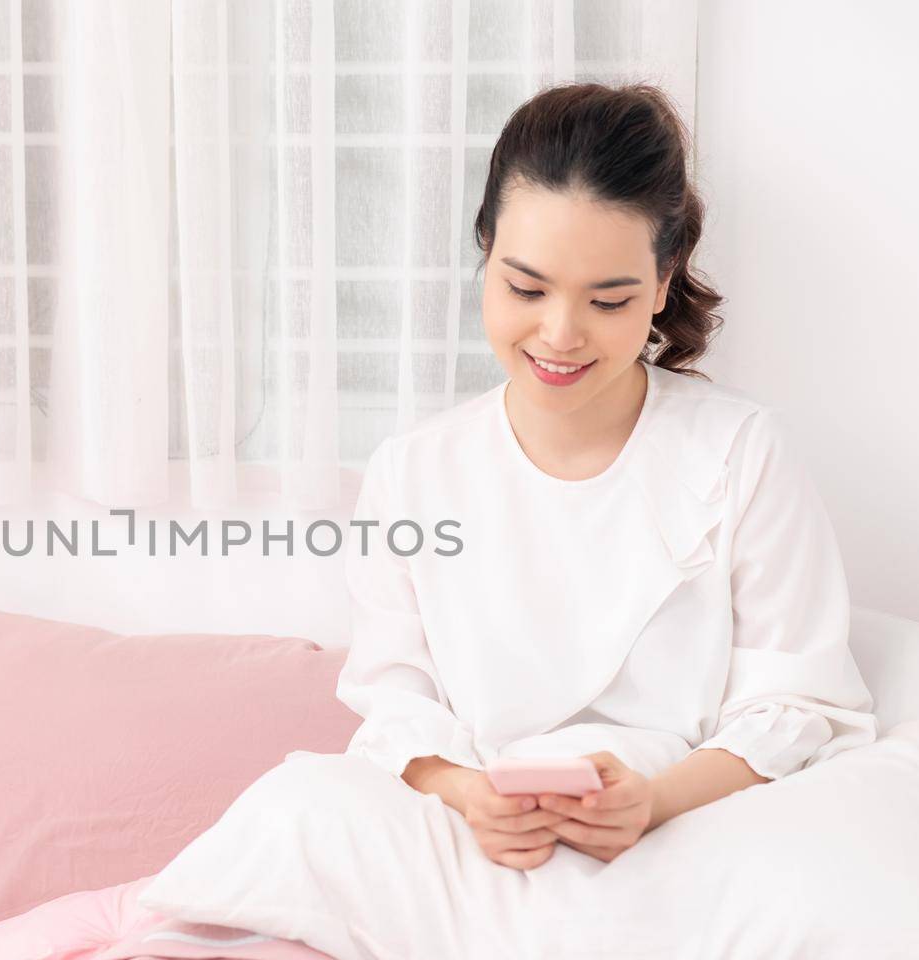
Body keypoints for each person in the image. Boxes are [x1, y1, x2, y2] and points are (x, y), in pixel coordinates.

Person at [335, 82, 877, 871]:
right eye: (526, 288)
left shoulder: (739, 453)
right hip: (477, 842)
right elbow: (393, 704)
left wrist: (653, 801)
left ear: (661, 286)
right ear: (485, 251)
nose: (560, 333)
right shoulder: (412, 471)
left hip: (694, 831)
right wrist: (470, 794)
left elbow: (800, 702)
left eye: (609, 299)